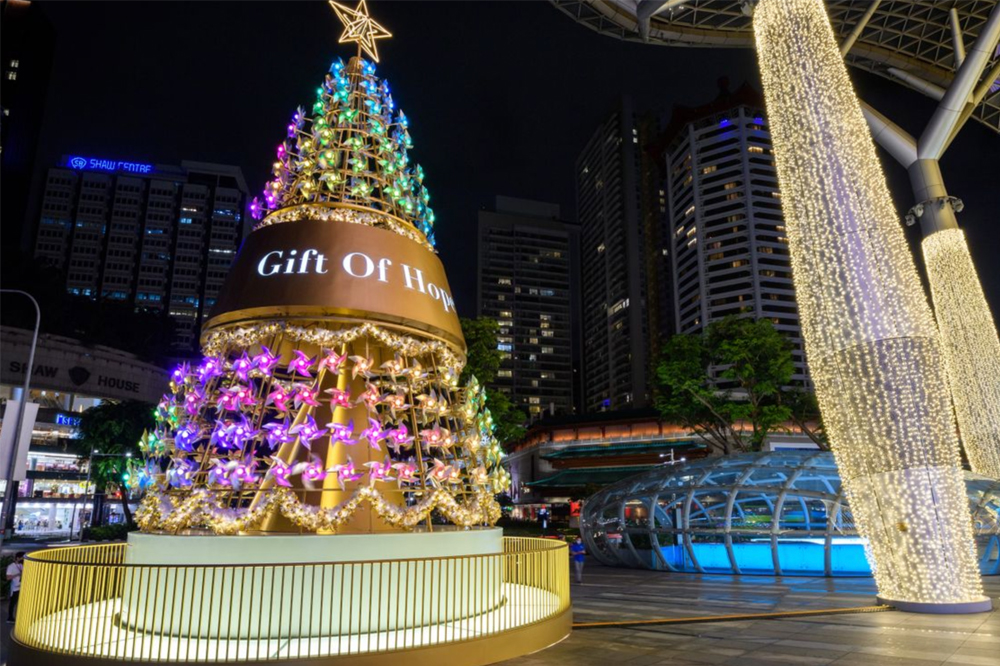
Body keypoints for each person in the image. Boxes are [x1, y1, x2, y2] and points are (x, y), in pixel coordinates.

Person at [6, 552, 25, 623]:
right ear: (17, 558)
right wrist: (18, 574)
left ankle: (19, 617)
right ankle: (10, 618)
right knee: (12, 603)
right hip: (15, 588)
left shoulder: (21, 565)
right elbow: (8, 578)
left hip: (21, 587)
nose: (23, 559)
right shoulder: (11, 566)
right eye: (22, 558)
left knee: (20, 603)